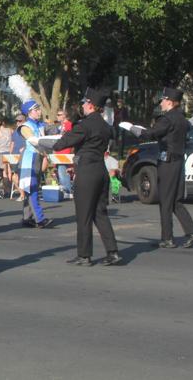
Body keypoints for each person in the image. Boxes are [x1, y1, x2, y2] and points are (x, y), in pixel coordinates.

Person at [120, 87, 193, 248]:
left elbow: (150, 134)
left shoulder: (167, 119)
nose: (162, 103)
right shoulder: (182, 118)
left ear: (171, 102)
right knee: (175, 200)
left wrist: (133, 128)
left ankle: (167, 238)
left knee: (165, 200)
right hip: (178, 161)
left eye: (164, 100)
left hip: (167, 162)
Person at [53, 88, 121, 266]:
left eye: (84, 103)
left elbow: (64, 142)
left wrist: (48, 143)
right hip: (101, 170)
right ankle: (112, 252)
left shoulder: (84, 125)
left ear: (90, 105)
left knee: (84, 214)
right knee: (101, 213)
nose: (82, 106)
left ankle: (84, 255)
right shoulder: (105, 126)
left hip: (87, 172)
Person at [16, 100, 53, 228]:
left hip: (37, 158)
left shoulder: (40, 125)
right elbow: (33, 140)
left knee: (31, 189)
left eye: (39, 109)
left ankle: (27, 218)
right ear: (29, 112)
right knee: (32, 189)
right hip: (28, 159)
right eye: (36, 110)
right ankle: (40, 219)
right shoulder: (26, 126)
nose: (39, 112)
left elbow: (52, 130)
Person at [54, 109, 74, 198]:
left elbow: (70, 137)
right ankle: (65, 190)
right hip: (59, 151)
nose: (57, 116)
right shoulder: (60, 126)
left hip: (65, 150)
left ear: (64, 115)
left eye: (59, 114)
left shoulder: (69, 124)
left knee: (63, 171)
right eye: (57, 115)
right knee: (60, 171)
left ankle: (68, 191)